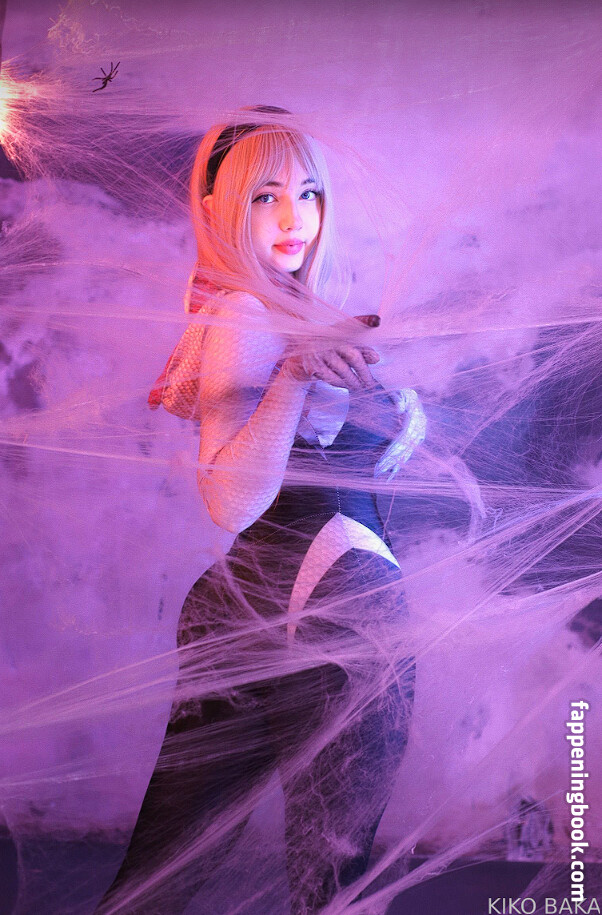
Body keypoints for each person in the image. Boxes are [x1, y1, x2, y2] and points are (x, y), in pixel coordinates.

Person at [96, 107, 423, 915]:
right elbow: (230, 499)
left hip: (270, 601)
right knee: (332, 880)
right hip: (326, 608)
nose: (292, 218)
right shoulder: (245, 313)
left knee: (167, 871)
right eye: (264, 196)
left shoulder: (290, 308)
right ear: (219, 209)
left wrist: (392, 406)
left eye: (308, 193)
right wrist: (295, 377)